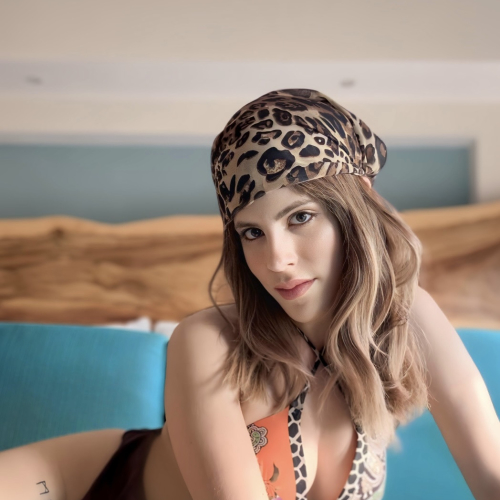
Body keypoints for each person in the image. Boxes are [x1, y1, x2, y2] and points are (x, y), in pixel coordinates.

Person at [0, 88, 499, 500]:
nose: (276, 260)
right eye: (252, 232)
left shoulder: (408, 320)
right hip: (74, 483)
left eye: (300, 217)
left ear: (356, 214)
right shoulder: (208, 340)